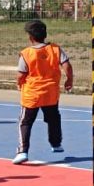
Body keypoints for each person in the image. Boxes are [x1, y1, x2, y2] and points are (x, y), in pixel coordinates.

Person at [12, 20, 73, 165]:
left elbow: (21, 74)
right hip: (50, 93)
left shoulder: (27, 53)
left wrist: (19, 83)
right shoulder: (55, 49)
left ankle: (22, 151)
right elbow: (67, 65)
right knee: (53, 119)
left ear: (30, 37)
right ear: (45, 34)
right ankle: (56, 143)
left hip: (32, 94)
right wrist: (69, 80)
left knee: (25, 122)